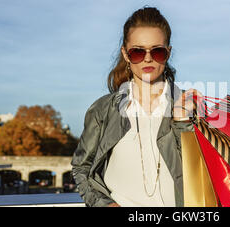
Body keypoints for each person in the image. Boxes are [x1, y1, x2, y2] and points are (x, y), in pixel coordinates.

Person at [71, 6, 201, 207]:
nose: (148, 58)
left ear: (168, 52)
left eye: (157, 51)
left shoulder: (189, 105)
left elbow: (200, 172)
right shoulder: (103, 110)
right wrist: (104, 204)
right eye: (137, 52)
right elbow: (81, 169)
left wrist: (182, 121)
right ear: (125, 54)